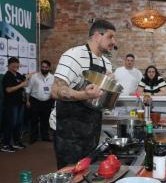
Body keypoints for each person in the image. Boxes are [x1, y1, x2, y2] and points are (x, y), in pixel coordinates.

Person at [51, 19, 116, 168]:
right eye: (110, 37)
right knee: (70, 174)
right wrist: (83, 95)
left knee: (87, 172)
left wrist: (108, 84)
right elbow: (55, 90)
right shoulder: (73, 55)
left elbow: (100, 95)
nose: (114, 41)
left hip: (91, 127)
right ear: (97, 36)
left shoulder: (106, 63)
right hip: (68, 129)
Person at [1, 57, 27, 152]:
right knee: (10, 124)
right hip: (11, 104)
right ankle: (5, 144)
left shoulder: (18, 74)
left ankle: (16, 142)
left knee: (18, 124)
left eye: (17, 64)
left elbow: (25, 79)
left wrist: (30, 76)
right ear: (9, 65)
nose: (16, 66)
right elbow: (8, 90)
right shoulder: (7, 76)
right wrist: (21, 85)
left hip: (20, 103)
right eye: (14, 65)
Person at [26, 60, 55, 144]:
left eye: (46, 67)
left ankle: (45, 136)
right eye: (42, 67)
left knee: (45, 120)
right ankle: (33, 138)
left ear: (49, 68)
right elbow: (28, 89)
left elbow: (53, 89)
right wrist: (27, 101)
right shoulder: (34, 76)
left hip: (47, 102)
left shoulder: (52, 77)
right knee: (34, 120)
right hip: (35, 101)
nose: (44, 68)